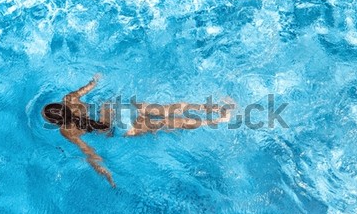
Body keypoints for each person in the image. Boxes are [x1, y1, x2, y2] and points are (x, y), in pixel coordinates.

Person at [42, 74, 233, 188]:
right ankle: (216, 107)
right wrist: (96, 78)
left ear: (57, 122)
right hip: (118, 108)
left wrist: (106, 174)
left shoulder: (67, 131)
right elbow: (90, 86)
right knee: (168, 109)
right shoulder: (69, 99)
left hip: (120, 128)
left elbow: (89, 152)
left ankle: (220, 120)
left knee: (171, 123)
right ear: (61, 104)